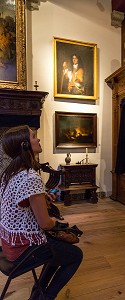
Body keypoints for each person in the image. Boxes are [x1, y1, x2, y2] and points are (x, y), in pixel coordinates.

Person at [0, 125, 83, 300]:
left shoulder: (10, 173)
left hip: (8, 244)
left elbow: (22, 202)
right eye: (33, 137)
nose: (37, 139)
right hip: (23, 249)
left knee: (60, 251)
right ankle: (45, 297)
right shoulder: (30, 176)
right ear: (25, 145)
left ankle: (38, 294)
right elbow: (45, 223)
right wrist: (57, 222)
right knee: (75, 255)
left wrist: (41, 198)